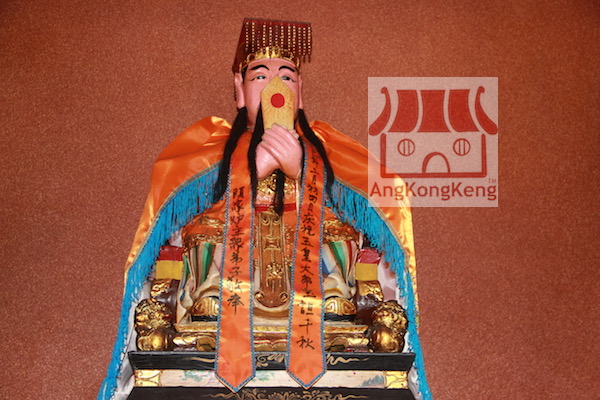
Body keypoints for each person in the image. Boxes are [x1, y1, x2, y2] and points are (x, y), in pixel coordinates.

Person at [98, 18, 431, 400]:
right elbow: (171, 202)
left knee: (338, 227)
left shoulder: (328, 147)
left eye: (287, 77)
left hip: (316, 289)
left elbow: (386, 197)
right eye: (260, 76)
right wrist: (246, 174)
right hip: (227, 285)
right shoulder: (209, 144)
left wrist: (304, 170)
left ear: (300, 92)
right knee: (204, 227)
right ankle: (211, 296)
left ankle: (333, 297)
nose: (276, 87)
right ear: (239, 90)